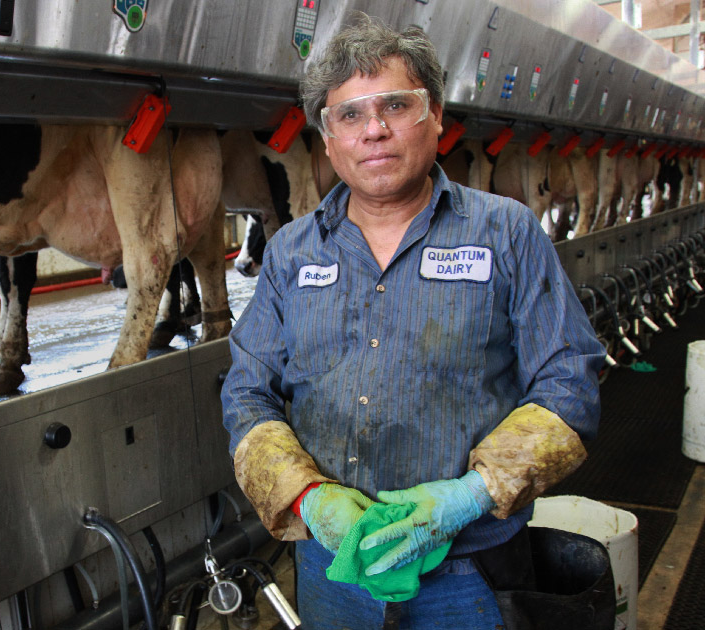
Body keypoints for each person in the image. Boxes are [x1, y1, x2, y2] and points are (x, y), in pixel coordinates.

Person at [220, 14, 606, 629]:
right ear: (327, 139)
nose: (374, 130)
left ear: (436, 120)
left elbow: (570, 381)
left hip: (474, 571)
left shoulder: (506, 232)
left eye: (396, 106)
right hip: (335, 571)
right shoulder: (292, 252)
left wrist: (471, 496)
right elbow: (247, 392)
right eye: (349, 115)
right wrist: (309, 498)